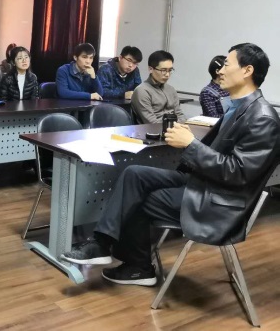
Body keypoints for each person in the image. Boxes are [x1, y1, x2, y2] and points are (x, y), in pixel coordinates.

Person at [62, 43, 280, 287]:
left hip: (219, 201)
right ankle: (101, 244)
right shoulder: (239, 107)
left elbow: (238, 173)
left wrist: (191, 145)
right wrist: (190, 146)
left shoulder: (262, 118)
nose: (220, 70)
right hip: (206, 182)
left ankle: (139, 268)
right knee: (135, 174)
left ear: (247, 70)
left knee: (138, 198)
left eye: (226, 65)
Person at [131, 50, 184, 124]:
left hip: (173, 128)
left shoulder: (171, 89)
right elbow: (151, 122)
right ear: (151, 69)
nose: (167, 75)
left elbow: (180, 115)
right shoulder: (142, 91)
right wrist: (175, 126)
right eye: (163, 70)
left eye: (170, 70)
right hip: (153, 130)